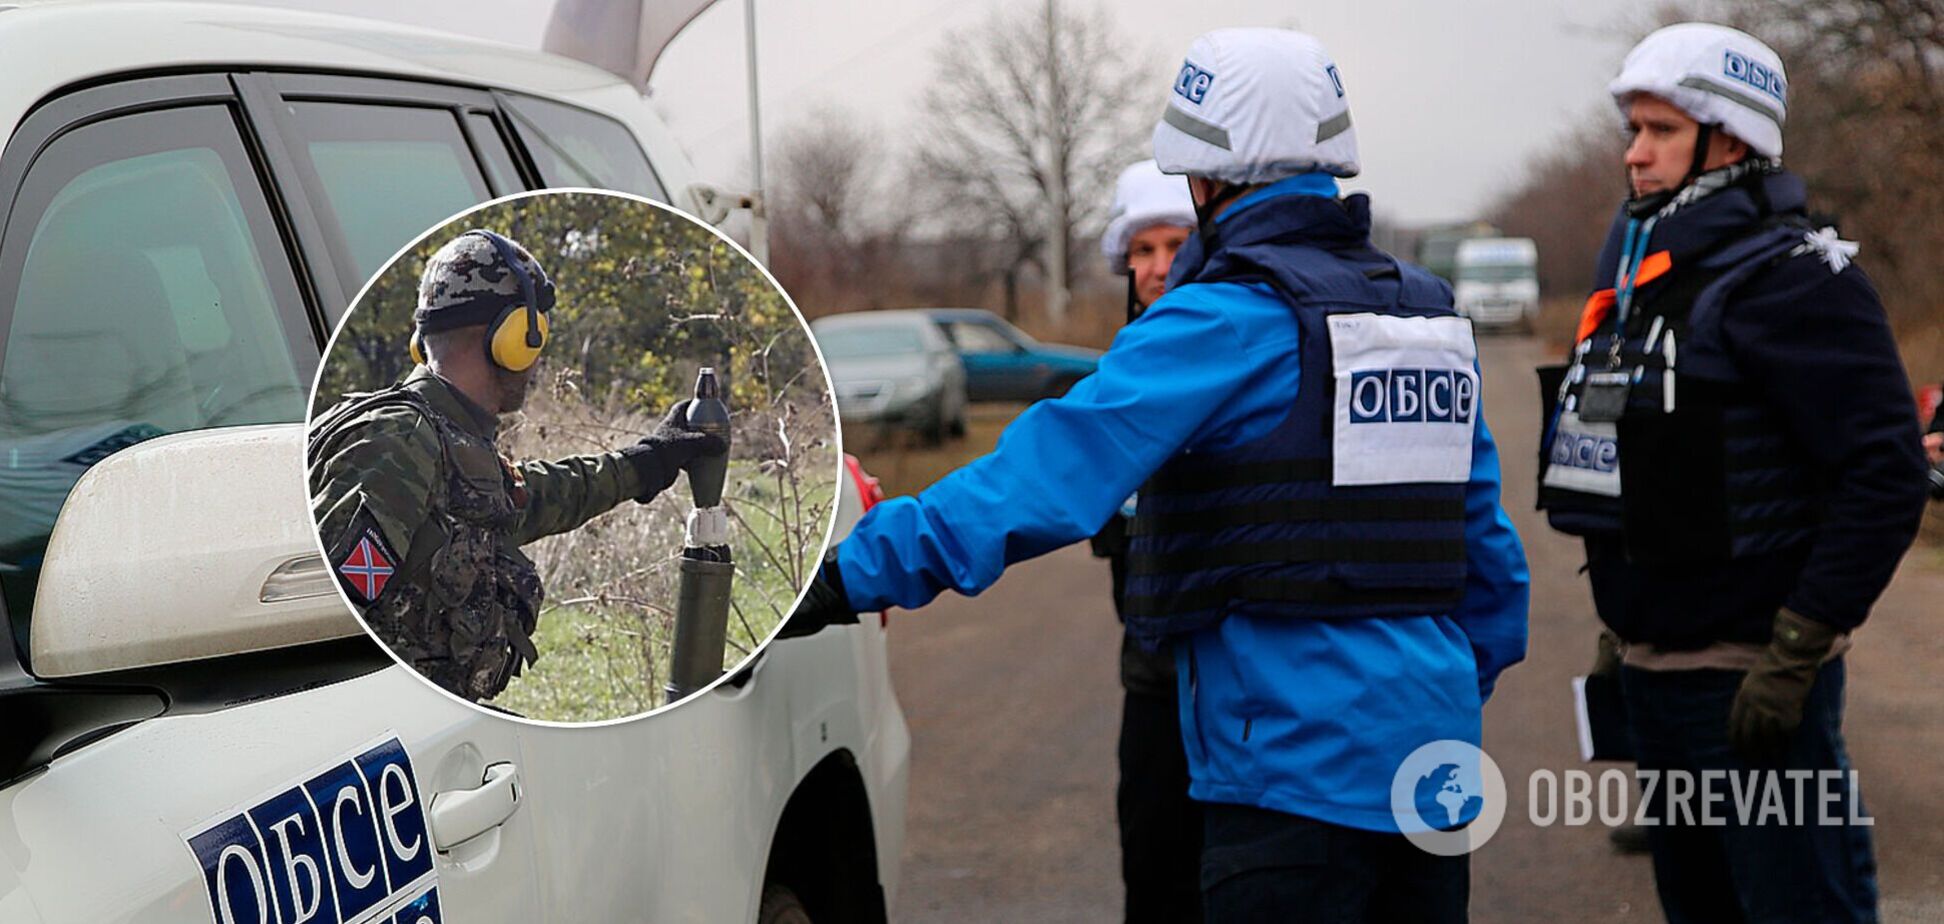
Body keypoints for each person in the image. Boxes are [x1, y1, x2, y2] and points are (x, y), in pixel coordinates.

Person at [799, 29, 1528, 921]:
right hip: (1433, 771)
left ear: (1202, 178)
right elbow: (1489, 555)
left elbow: (1042, 476)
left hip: (1288, 783)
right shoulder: (1425, 315)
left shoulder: (1220, 319)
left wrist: (842, 576)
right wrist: (1432, 702)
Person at [1537, 23, 1928, 922]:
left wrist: (1798, 645)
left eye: (1661, 131)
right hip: (1654, 677)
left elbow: (1885, 473)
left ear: (1731, 143)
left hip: (1752, 684)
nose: (1635, 154)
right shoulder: (1642, 278)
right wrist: (1622, 623)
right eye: (1633, 131)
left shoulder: (1795, 279)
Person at [309, 230, 723, 703]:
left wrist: (649, 461)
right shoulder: (398, 442)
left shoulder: (447, 439)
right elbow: (333, 621)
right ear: (515, 338)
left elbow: (537, 496)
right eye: (538, 331)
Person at [1091, 158, 1201, 923]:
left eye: (1176, 246)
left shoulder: (1248, 354)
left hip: (1243, 681)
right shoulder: (1115, 377)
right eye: (1143, 250)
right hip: (1151, 678)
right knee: (1154, 872)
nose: (1159, 267)